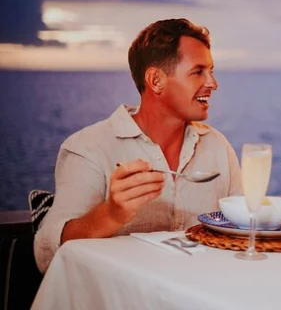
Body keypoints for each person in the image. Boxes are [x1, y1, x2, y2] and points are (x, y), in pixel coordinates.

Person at [34, 18, 242, 273]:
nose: (213, 83)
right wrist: (111, 214)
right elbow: (46, 256)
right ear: (156, 80)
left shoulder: (217, 146)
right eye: (198, 72)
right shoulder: (88, 148)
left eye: (211, 71)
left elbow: (243, 228)